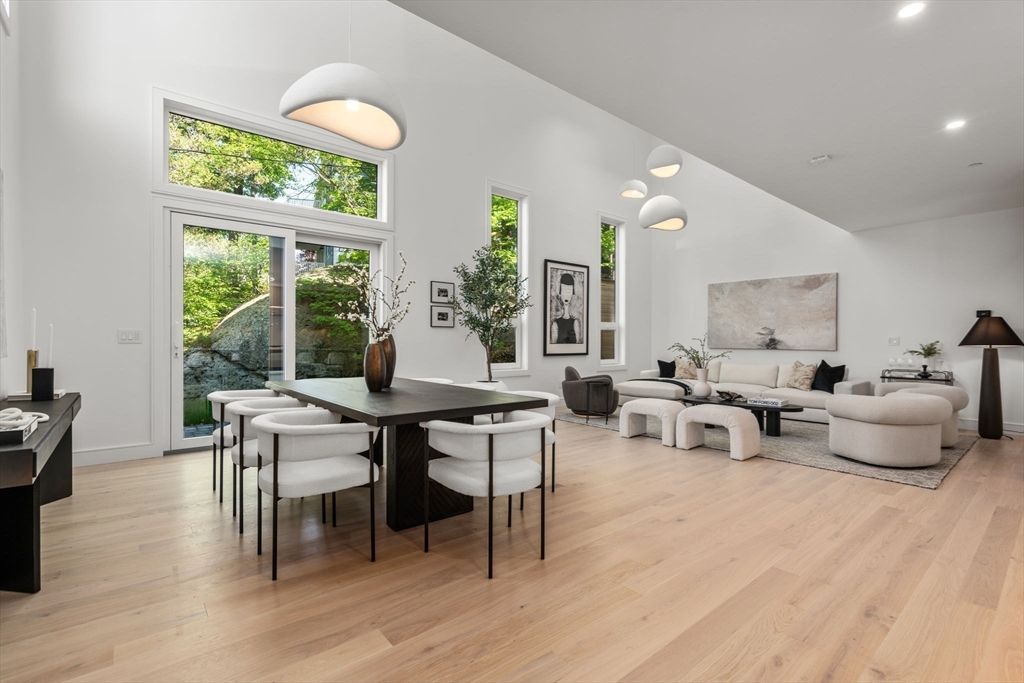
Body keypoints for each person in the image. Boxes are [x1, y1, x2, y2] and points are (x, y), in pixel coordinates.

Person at [551, 272, 582, 344]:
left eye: (569, 291)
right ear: (560, 292)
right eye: (564, 290)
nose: (567, 294)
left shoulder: (575, 322)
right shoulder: (555, 323)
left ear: (572, 293)